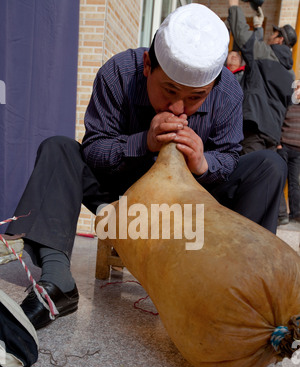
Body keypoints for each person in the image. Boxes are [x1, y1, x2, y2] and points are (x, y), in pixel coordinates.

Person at [6, 3, 287, 330]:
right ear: (147, 65)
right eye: (169, 90)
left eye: (196, 98)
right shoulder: (119, 73)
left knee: (269, 165)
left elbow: (229, 156)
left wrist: (203, 161)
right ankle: (57, 282)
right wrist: (143, 142)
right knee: (58, 149)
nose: (179, 108)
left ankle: (241, 289)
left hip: (193, 206)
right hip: (125, 200)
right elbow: (94, 148)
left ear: (210, 88)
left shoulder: (226, 91)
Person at [227, 0, 297, 154]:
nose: (270, 37)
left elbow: (241, 34)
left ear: (280, 40)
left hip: (254, 130)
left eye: (274, 34)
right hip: (273, 135)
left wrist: (234, 6)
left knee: (248, 174)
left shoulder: (264, 54)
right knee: (262, 174)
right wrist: (258, 27)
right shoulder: (291, 74)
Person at [277, 80, 300, 225]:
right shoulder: (287, 104)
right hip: (283, 147)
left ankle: (296, 213)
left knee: (294, 183)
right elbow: (278, 122)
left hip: (298, 151)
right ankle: (281, 214)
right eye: (297, 87)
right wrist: (278, 143)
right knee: (279, 180)